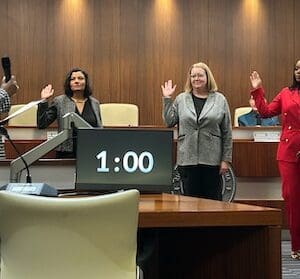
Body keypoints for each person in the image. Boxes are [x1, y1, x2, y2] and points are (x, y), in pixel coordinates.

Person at [249, 60, 300, 260]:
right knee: (292, 199)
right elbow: (265, 112)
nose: (298, 72)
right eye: (296, 68)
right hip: (288, 152)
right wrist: (258, 90)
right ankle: (296, 247)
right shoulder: (286, 93)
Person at [161, 62, 232, 200]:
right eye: (193, 76)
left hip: (212, 161)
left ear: (207, 77)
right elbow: (169, 122)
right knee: (189, 202)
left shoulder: (220, 99)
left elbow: (227, 132)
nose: (196, 79)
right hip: (187, 159)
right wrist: (167, 99)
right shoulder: (181, 99)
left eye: (200, 75)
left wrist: (225, 159)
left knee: (213, 203)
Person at [37, 68, 102, 158]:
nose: (76, 81)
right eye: (73, 79)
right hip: (66, 153)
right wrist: (43, 100)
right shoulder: (59, 101)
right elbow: (42, 124)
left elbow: (99, 128)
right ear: (69, 83)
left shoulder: (95, 103)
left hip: (90, 152)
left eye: (80, 78)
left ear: (86, 82)